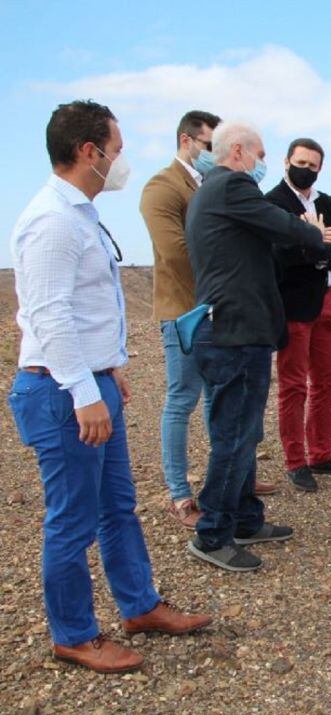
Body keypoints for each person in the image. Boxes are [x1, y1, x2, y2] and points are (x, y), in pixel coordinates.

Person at [8, 100, 211, 674]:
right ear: (87, 152)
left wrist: (111, 367)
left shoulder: (82, 215)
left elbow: (89, 306)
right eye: (116, 151)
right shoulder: (51, 220)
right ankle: (74, 634)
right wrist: (83, 390)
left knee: (116, 505)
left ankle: (139, 605)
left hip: (90, 382)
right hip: (61, 391)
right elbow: (49, 315)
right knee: (71, 518)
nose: (121, 161)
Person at [185, 121, 331, 572]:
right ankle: (213, 533)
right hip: (234, 333)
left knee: (244, 434)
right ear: (239, 152)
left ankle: (244, 518)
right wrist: (323, 240)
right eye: (260, 154)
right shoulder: (230, 186)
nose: (262, 163)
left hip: (245, 331)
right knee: (233, 436)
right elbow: (289, 229)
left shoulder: (218, 191)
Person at [140, 111, 281, 530]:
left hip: (224, 316)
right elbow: (177, 250)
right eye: (207, 144)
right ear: (187, 141)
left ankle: (235, 487)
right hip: (187, 309)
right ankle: (181, 493)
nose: (211, 152)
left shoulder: (215, 184)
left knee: (226, 411)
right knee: (183, 400)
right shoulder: (162, 188)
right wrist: (227, 279)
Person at [265, 138, 331, 492]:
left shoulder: (326, 202)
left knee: (328, 381)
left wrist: (321, 245)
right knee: (292, 386)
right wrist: (324, 245)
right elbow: (281, 253)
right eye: (300, 162)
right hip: (292, 305)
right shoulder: (273, 203)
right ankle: (295, 460)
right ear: (286, 160)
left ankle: (321, 453)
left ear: (320, 168)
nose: (305, 169)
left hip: (325, 300)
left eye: (312, 165)